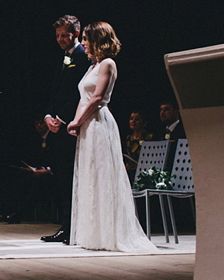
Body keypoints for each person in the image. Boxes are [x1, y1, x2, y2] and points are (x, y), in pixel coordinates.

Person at [67, 22, 158, 252]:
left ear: (98, 40)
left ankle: (110, 235)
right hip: (88, 125)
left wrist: (80, 120)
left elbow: (98, 99)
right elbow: (83, 97)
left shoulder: (108, 63)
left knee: (103, 176)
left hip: (99, 123)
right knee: (90, 176)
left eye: (87, 39)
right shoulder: (92, 66)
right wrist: (76, 122)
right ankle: (94, 235)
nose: (84, 43)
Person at [41, 15, 90, 244]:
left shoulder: (83, 57)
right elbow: (54, 91)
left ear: (76, 34)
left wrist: (61, 118)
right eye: (58, 36)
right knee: (61, 179)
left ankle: (71, 229)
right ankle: (66, 227)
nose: (60, 39)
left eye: (65, 35)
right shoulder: (63, 57)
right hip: (57, 126)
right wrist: (48, 115)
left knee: (71, 179)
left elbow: (78, 94)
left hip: (71, 127)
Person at [123, 111, 154, 182]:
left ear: (144, 123)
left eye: (137, 119)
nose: (133, 121)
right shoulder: (128, 138)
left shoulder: (148, 137)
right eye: (131, 119)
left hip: (145, 170)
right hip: (131, 171)